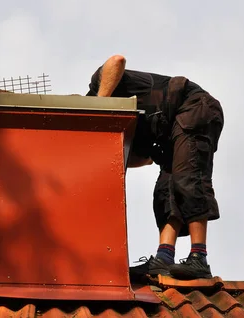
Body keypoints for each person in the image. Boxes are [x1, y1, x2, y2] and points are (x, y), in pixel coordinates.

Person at [86, 55, 224, 280]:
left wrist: (97, 106)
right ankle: (164, 258)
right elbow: (145, 159)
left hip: (193, 107)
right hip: (169, 132)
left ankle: (199, 257)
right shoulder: (116, 131)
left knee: (187, 178)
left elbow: (117, 60)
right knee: (165, 190)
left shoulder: (98, 90)